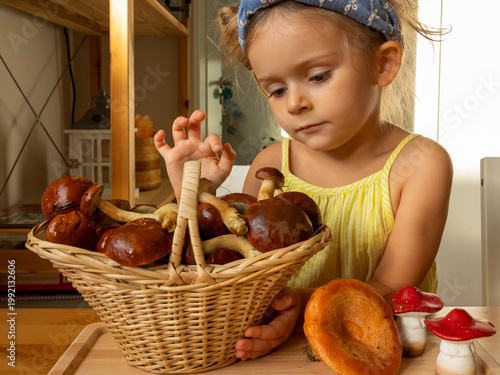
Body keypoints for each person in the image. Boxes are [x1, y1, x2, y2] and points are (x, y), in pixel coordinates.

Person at [154, 0, 453, 361]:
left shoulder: (421, 165)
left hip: (377, 352)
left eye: (318, 76)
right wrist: (194, 192)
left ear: (383, 63)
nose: (294, 103)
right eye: (277, 90)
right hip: (277, 354)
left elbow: (391, 289)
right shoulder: (270, 165)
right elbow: (228, 273)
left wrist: (297, 305)